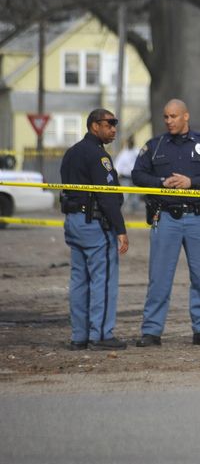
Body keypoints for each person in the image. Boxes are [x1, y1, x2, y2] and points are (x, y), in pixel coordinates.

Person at [132, 99, 200, 347]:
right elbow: (137, 175)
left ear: (186, 116)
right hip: (166, 218)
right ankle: (152, 331)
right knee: (159, 277)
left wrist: (191, 182)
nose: (168, 121)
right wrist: (160, 182)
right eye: (165, 117)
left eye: (173, 116)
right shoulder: (155, 146)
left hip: (199, 218)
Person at [59, 108, 129, 351]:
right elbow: (108, 196)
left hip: (73, 222)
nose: (113, 129)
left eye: (114, 124)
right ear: (94, 126)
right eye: (108, 124)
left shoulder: (71, 153)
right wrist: (120, 229)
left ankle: (79, 336)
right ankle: (100, 335)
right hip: (94, 224)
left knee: (79, 280)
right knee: (104, 279)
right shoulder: (99, 156)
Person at [114, 137, 139, 211]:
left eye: (132, 141)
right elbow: (118, 164)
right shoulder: (124, 153)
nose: (131, 143)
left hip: (135, 177)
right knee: (125, 194)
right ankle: (124, 211)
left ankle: (135, 211)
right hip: (125, 177)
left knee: (135, 195)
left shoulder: (137, 151)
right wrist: (117, 174)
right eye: (129, 141)